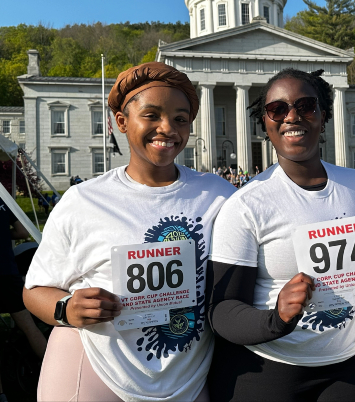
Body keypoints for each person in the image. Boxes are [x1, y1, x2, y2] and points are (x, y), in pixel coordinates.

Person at [23, 63, 235, 402]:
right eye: (151, 115)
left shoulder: (220, 195)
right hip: (97, 363)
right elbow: (34, 290)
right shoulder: (84, 200)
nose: (167, 128)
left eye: (180, 119)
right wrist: (67, 309)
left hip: (187, 373)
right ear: (121, 121)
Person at [206, 68, 355, 402]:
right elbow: (222, 309)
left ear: (323, 116)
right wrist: (277, 317)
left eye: (306, 105)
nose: (292, 116)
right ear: (266, 122)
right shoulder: (246, 204)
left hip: (350, 364)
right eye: (278, 109)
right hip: (271, 368)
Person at [0, 191, 47, 402]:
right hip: (6, 272)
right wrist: (1, 233)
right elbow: (21, 232)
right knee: (29, 327)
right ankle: (52, 374)